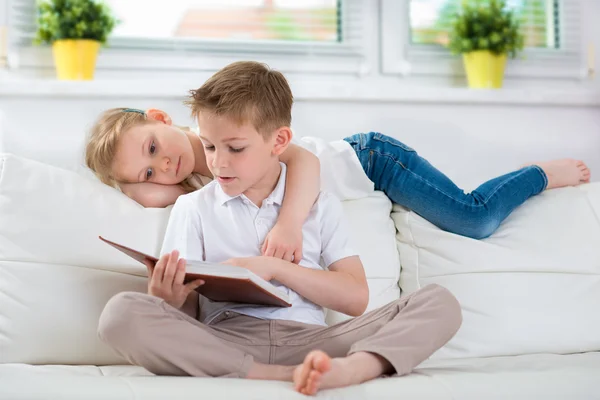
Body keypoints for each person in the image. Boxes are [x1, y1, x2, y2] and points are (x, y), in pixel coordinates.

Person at [97, 61, 462, 395]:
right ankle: (269, 374)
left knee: (439, 302)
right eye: (208, 146)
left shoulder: (318, 205)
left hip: (316, 341)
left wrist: (274, 268)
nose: (218, 163)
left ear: (279, 143)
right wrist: (171, 300)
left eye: (235, 148)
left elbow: (355, 300)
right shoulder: (192, 207)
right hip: (227, 340)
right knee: (120, 313)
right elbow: (187, 312)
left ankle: (354, 368)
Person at [85, 88, 590, 248]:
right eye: (147, 172)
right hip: (367, 168)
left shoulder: (217, 129)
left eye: (152, 147)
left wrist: (288, 225)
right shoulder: (195, 187)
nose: (162, 165)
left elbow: (300, 159)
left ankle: (538, 173)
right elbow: (158, 196)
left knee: (474, 220)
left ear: (160, 118)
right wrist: (139, 186)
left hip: (373, 160)